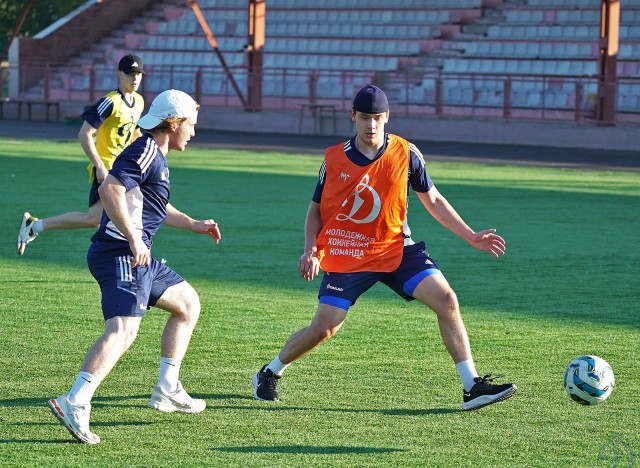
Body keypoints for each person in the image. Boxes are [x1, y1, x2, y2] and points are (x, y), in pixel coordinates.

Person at [253, 85, 516, 411]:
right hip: (349, 253)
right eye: (365, 117)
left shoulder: (407, 153)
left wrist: (470, 235)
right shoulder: (334, 159)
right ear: (353, 117)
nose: (371, 125)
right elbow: (316, 209)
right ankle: (270, 372)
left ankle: (471, 386)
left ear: (387, 117)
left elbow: (432, 200)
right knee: (325, 327)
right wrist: (311, 250)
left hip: (396, 248)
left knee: (446, 300)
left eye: (377, 118)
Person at [47, 89, 222, 444]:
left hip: (135, 255)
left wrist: (193, 224)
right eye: (191, 125)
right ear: (174, 124)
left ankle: (167, 388)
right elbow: (111, 189)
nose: (193, 132)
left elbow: (154, 205)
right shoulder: (145, 151)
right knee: (123, 331)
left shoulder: (155, 153)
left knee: (187, 304)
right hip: (120, 254)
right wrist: (134, 238)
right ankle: (74, 400)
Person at [16, 54, 146, 255]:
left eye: (138, 74)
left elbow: (134, 132)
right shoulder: (110, 102)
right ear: (120, 74)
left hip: (123, 168)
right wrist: (100, 166)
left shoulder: (139, 101)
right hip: (109, 169)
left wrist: (146, 153)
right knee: (125, 213)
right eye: (130, 74)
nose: (135, 78)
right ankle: (137, 256)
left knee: (96, 218)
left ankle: (34, 226)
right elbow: (84, 134)